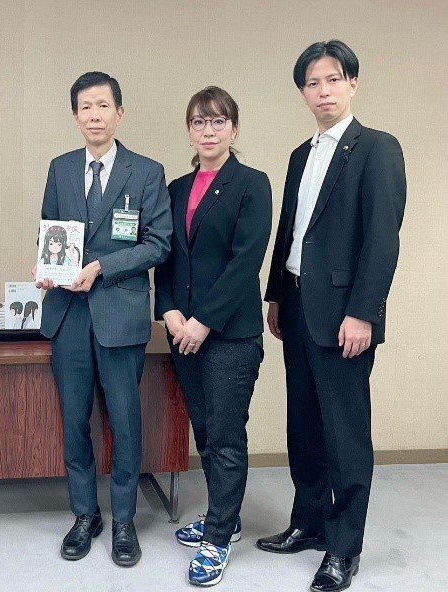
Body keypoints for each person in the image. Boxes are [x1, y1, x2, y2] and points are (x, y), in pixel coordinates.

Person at [257, 40, 406, 592]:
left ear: (353, 83)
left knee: (345, 435)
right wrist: (276, 295)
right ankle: (309, 522)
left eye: (333, 80)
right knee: (303, 426)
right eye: (313, 83)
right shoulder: (301, 154)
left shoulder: (377, 148)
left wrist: (363, 313)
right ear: (303, 92)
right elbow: (290, 232)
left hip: (345, 314)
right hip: (297, 306)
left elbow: (383, 239)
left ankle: (344, 549)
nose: (323, 91)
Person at [35, 71, 172, 567]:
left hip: (120, 313)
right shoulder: (60, 168)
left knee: (125, 421)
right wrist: (46, 267)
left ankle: (124, 520)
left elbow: (158, 244)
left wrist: (101, 267)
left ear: (120, 113)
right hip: (68, 315)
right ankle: (84, 514)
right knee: (74, 420)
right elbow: (50, 231)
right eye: (85, 108)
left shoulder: (146, 172)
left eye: (103, 106)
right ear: (76, 117)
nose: (94, 115)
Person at [154, 87, 271, 586]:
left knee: (225, 436)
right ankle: (227, 513)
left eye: (218, 121)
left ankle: (218, 537)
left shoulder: (252, 184)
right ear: (189, 131)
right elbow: (165, 255)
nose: (208, 131)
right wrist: (170, 311)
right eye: (199, 122)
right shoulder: (176, 187)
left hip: (229, 335)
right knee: (204, 429)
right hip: (183, 332)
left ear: (234, 129)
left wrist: (203, 321)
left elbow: (247, 262)